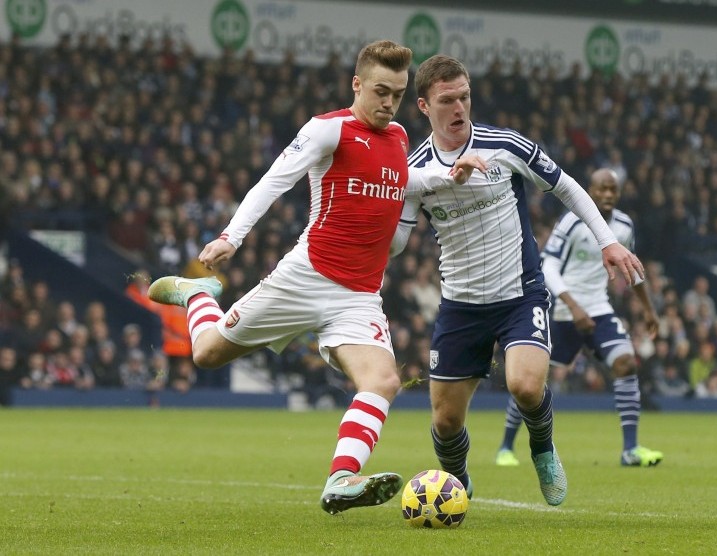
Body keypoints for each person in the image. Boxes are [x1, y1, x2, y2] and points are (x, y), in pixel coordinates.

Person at [145, 41, 483, 515]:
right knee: (207, 354)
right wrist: (231, 237)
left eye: (399, 95)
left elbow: (401, 182)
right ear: (357, 84)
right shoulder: (329, 130)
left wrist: (450, 176)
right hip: (306, 277)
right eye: (381, 92)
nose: (389, 103)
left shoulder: (400, 137)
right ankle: (198, 294)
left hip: (360, 294)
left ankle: (341, 478)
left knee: (384, 380)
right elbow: (274, 179)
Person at [390, 56, 644, 506]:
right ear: (425, 107)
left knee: (525, 386)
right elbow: (396, 242)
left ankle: (542, 449)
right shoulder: (414, 171)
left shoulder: (504, 145)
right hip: (460, 304)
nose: (459, 107)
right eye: (447, 100)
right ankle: (456, 481)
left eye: (464, 96)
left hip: (519, 296)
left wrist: (607, 241)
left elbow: (567, 187)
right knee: (446, 422)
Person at [496, 169, 664, 468]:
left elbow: (631, 268)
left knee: (625, 363)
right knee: (531, 382)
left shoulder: (624, 226)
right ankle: (506, 447)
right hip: (562, 310)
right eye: (603, 189)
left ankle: (630, 449)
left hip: (598, 307)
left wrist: (649, 310)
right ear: (591, 190)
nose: (609, 195)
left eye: (613, 190)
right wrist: (573, 307)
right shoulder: (573, 220)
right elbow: (548, 266)